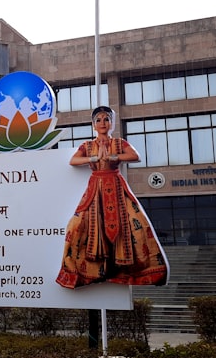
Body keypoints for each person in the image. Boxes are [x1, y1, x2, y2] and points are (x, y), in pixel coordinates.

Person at [56, 106, 169, 288]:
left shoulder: (118, 142)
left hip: (116, 186)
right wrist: (92, 159)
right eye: (98, 120)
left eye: (106, 119)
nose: (102, 123)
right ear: (93, 125)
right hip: (96, 188)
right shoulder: (87, 145)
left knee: (134, 224)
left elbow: (135, 156)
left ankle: (134, 271)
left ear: (112, 123)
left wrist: (112, 156)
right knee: (77, 225)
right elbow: (73, 161)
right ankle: (84, 272)